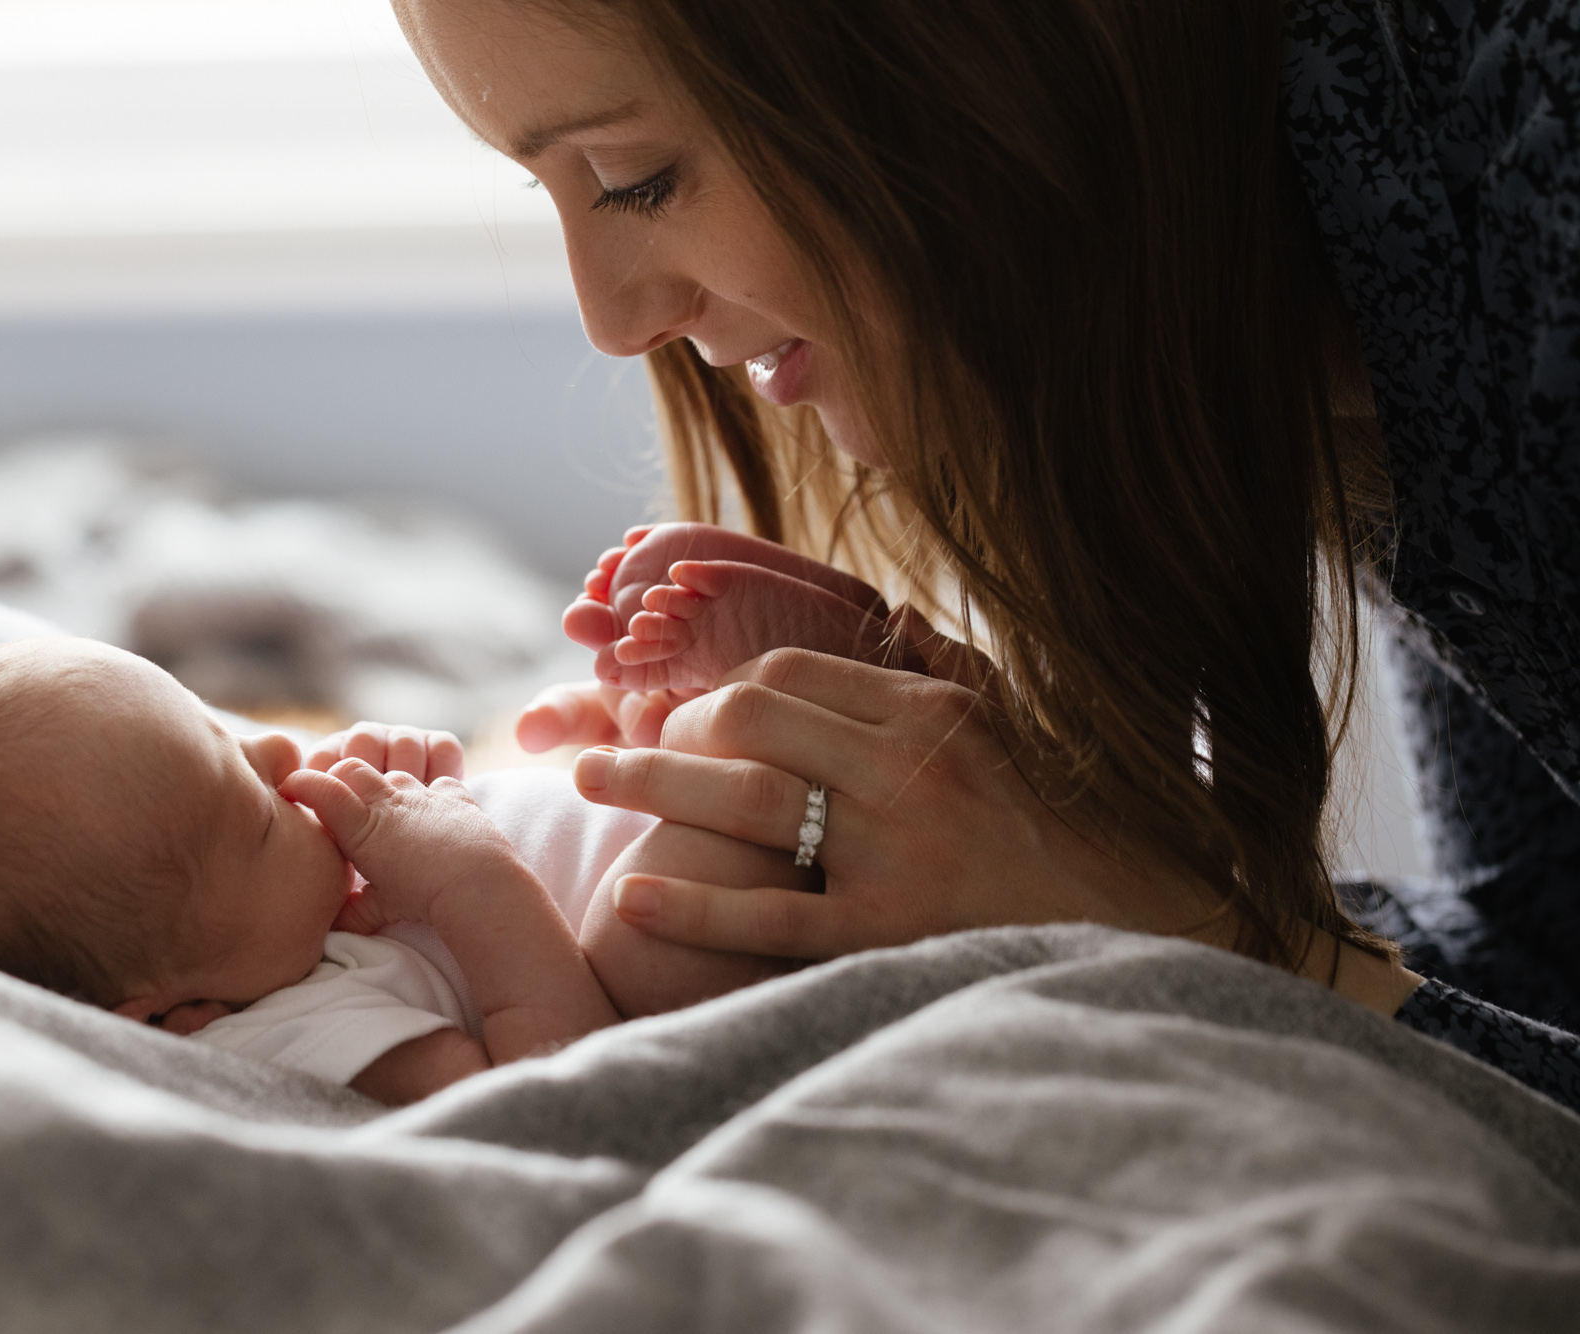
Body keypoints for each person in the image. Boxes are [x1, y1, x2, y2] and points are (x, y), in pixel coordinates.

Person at [392, 0, 1580, 1112]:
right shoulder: (1335, 251)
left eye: (631, 178)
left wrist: (1200, 951)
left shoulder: (1534, 168)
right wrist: (1027, 857)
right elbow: (1540, 940)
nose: (610, 319)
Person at [0, 639, 810, 1106]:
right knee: (706, 857)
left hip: (611, 824)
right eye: (250, 813)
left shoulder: (274, 925)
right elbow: (556, 1086)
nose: (282, 751)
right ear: (176, 1012)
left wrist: (441, 780)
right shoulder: (282, 1035)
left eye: (217, 726)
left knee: (676, 736)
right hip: (671, 916)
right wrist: (467, 876)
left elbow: (412, 834)